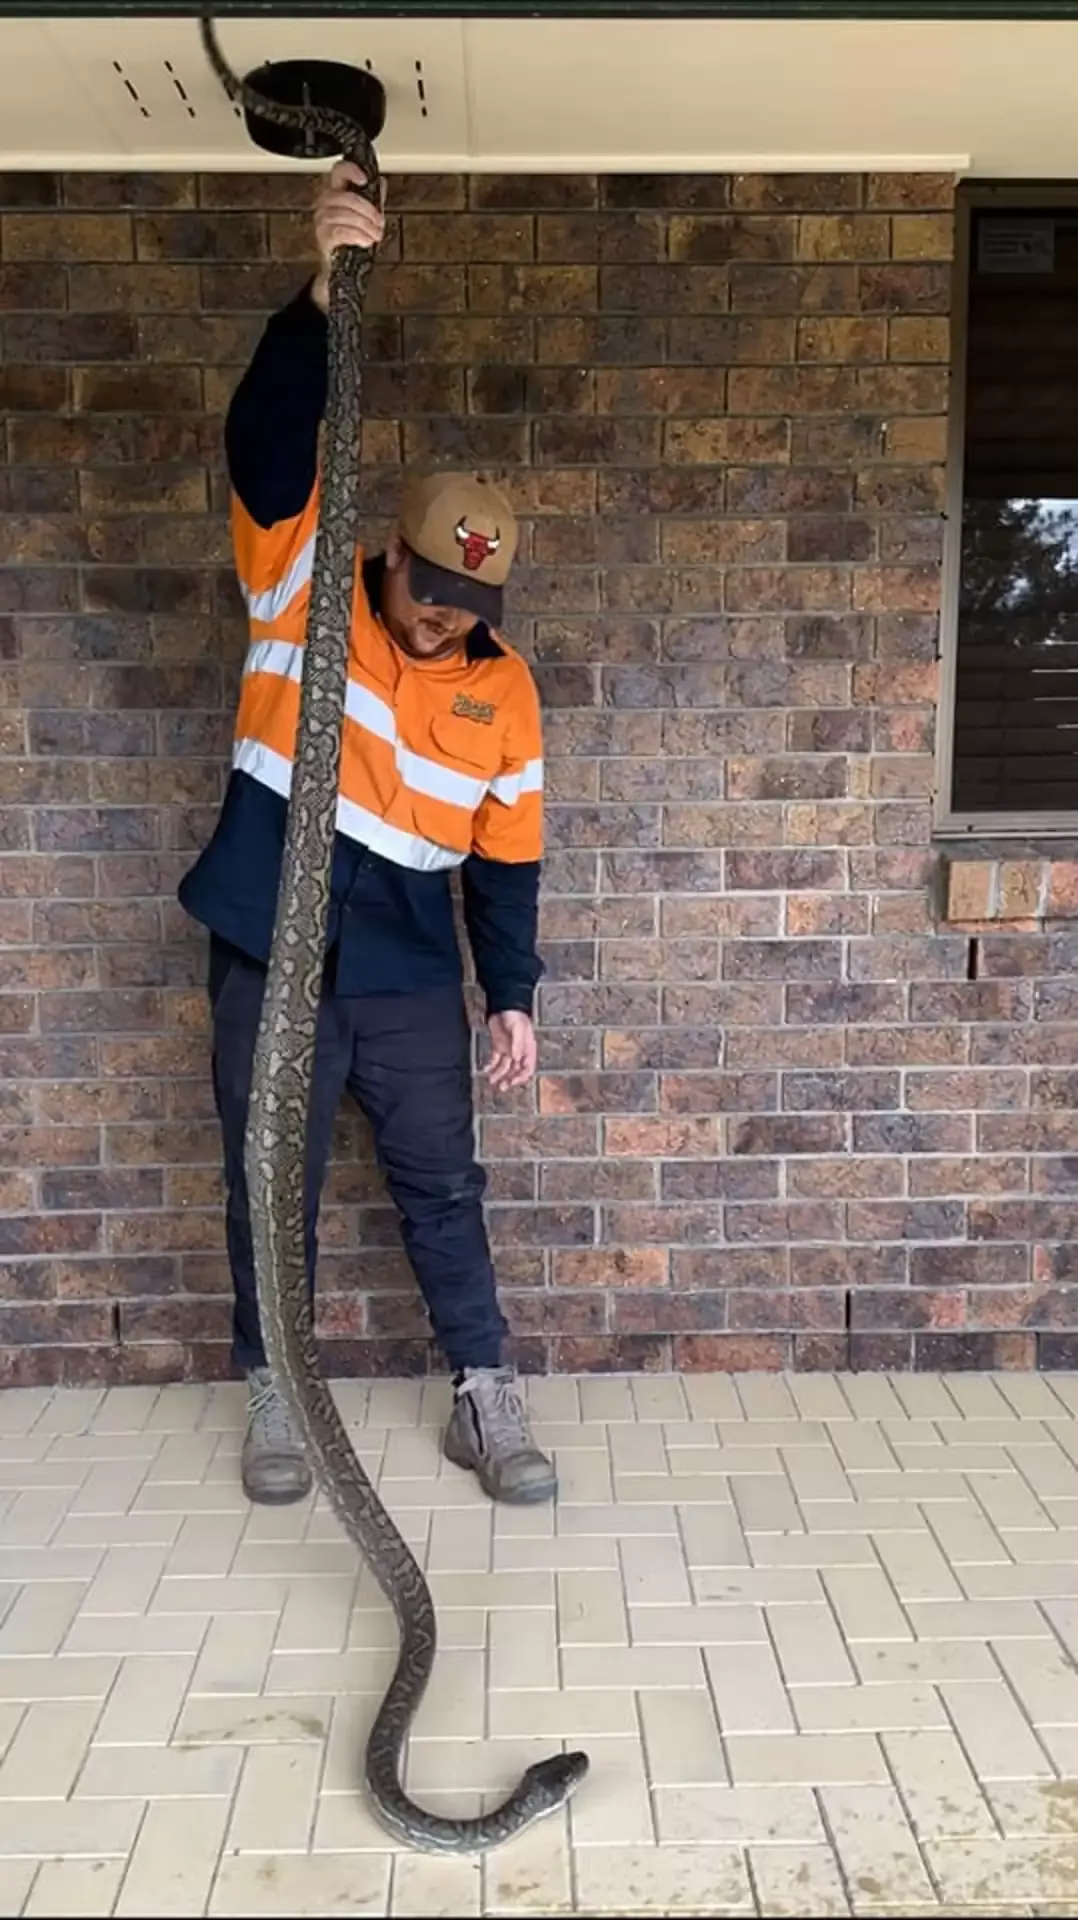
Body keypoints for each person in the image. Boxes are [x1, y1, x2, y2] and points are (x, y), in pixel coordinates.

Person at [178, 161, 554, 1510]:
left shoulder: (501, 690)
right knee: (260, 1185)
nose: (442, 614)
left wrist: (507, 994)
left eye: (469, 598)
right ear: (387, 550)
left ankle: (481, 1392)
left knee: (439, 1187)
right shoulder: (298, 588)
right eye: (426, 585)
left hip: (401, 972)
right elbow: (269, 445)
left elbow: (507, 857)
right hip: (264, 948)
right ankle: (275, 1387)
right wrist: (320, 297)